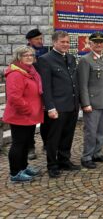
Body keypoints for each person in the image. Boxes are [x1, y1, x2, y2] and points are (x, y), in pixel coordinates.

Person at [38, 31, 81, 178]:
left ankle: (64, 160)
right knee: (53, 137)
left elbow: (74, 81)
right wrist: (50, 107)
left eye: (67, 42)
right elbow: (46, 86)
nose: (65, 45)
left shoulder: (71, 58)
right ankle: (52, 165)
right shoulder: (45, 59)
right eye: (62, 42)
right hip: (57, 106)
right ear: (54, 42)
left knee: (68, 135)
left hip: (72, 104)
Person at [3, 46, 44, 182]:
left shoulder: (31, 71)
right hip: (20, 115)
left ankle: (23, 167)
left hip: (30, 115)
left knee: (26, 143)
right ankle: (15, 173)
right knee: (18, 144)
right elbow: (14, 97)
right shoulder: (16, 74)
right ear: (18, 57)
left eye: (31, 55)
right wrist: (28, 110)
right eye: (25, 55)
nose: (29, 57)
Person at [77, 32, 103, 169]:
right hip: (92, 104)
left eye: (101, 43)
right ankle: (86, 156)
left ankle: (97, 153)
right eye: (95, 42)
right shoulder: (85, 60)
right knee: (90, 132)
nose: (98, 45)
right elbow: (83, 84)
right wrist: (85, 103)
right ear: (90, 44)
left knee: (101, 131)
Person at [25, 28, 49, 160]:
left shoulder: (46, 50)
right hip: (32, 91)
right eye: (37, 39)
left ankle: (46, 144)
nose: (40, 41)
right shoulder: (25, 53)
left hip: (45, 90)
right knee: (31, 121)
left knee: (46, 119)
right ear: (30, 40)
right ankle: (30, 147)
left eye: (41, 38)